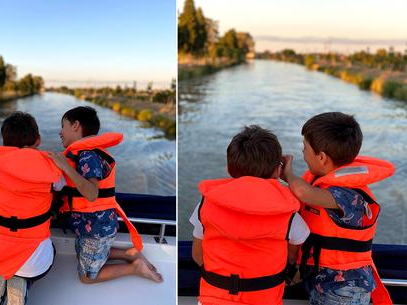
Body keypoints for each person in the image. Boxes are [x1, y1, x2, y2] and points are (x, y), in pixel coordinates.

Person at [281, 112, 395, 305]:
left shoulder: (349, 196)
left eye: (304, 147)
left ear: (322, 157)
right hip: (322, 281)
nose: (302, 152)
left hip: (346, 289)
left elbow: (303, 193)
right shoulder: (321, 186)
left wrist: (288, 173)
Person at [190, 125, 310, 305]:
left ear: (230, 169)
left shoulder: (206, 205)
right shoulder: (289, 216)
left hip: (213, 299)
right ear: (278, 170)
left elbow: (197, 255)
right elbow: (291, 257)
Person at [48, 106, 162, 284]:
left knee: (86, 278)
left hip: (95, 228)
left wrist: (65, 166)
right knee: (81, 250)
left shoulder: (87, 155)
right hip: (92, 227)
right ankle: (129, 253)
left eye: (63, 126)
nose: (60, 132)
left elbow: (92, 194)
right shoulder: (86, 153)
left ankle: (135, 267)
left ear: (76, 125)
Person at [0, 112, 63, 305]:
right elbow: (56, 196)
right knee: (51, 252)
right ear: (38, 139)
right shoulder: (52, 167)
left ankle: (0, 279)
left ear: (4, 141)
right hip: (34, 259)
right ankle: (23, 282)